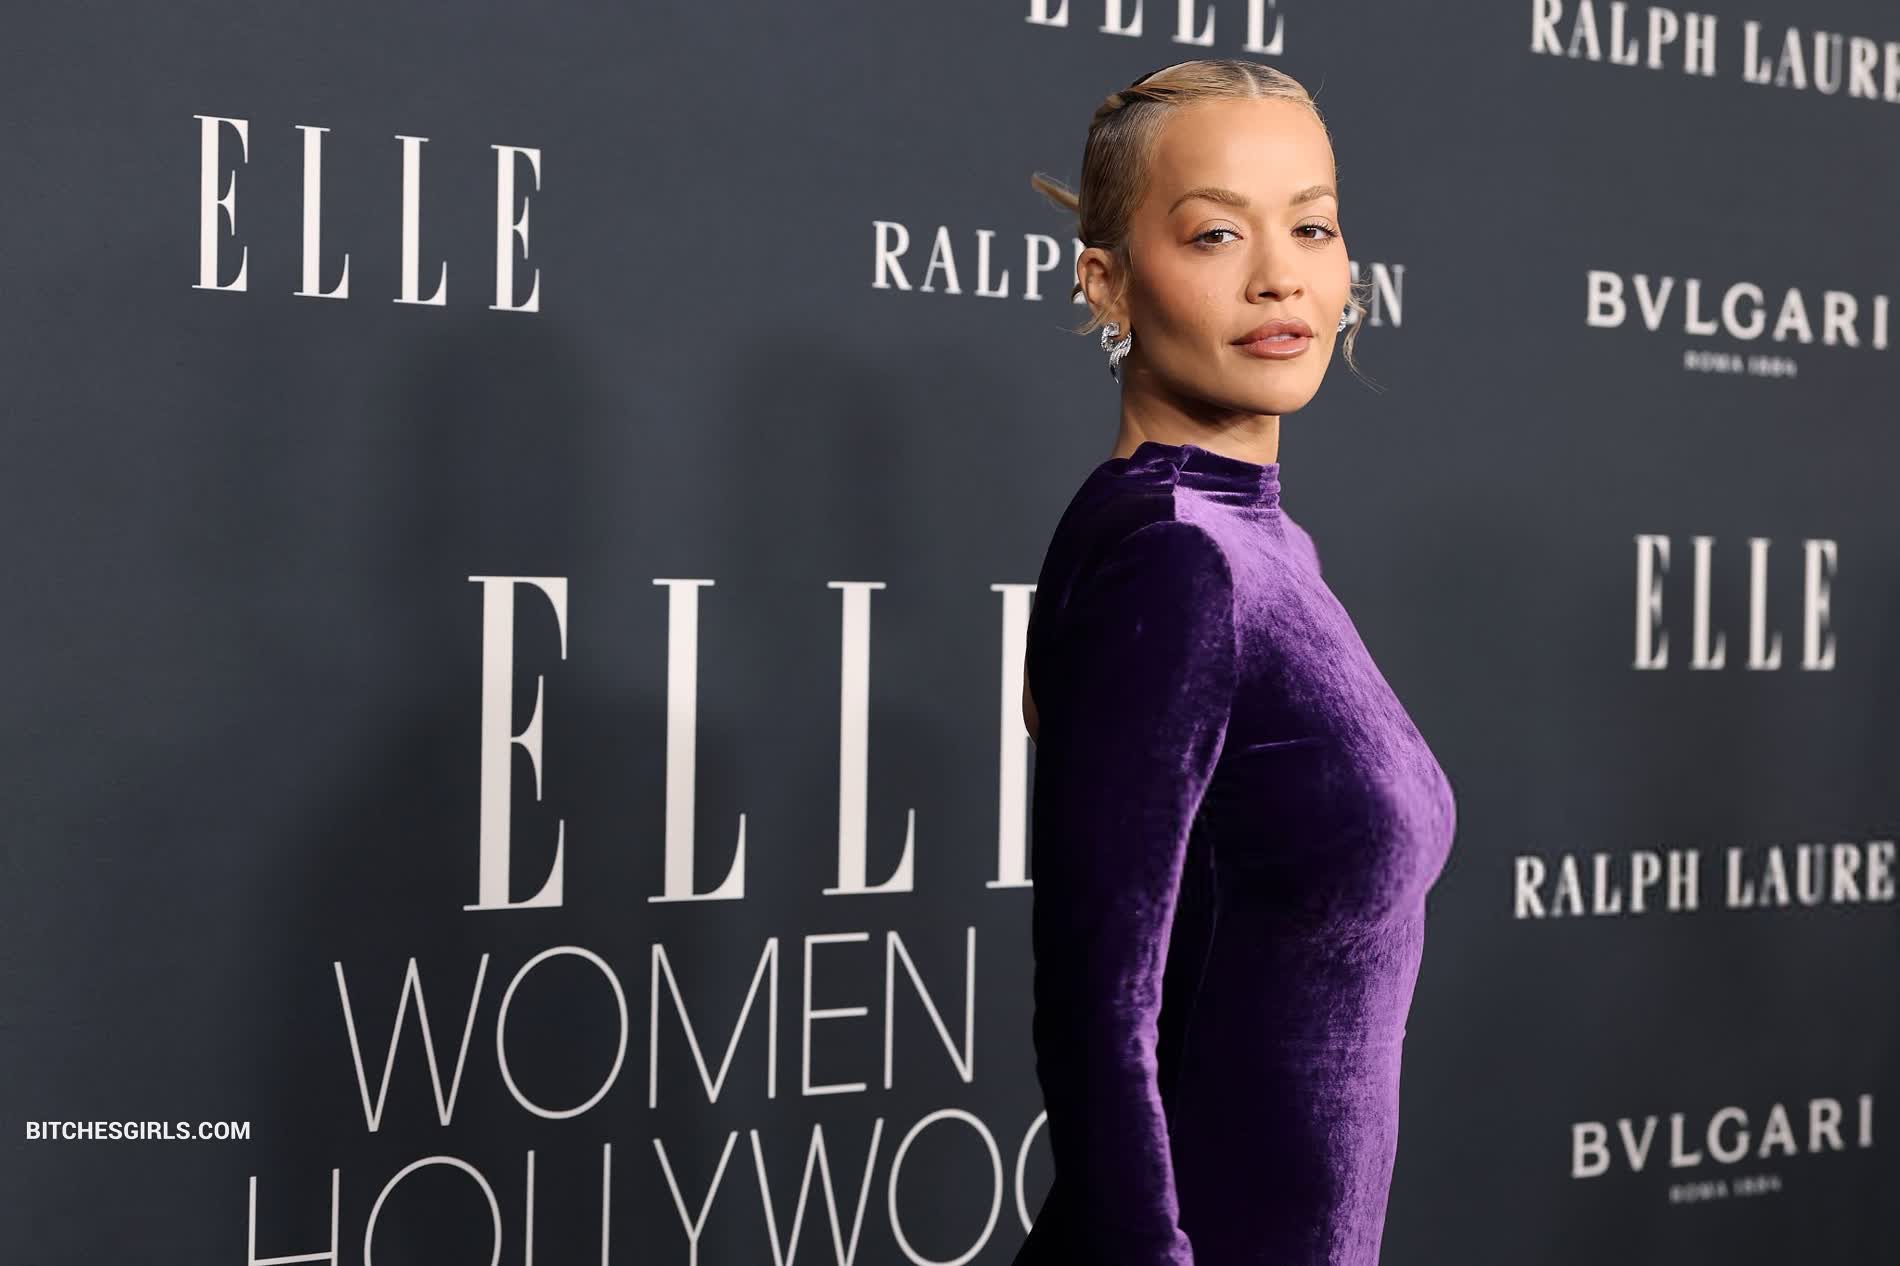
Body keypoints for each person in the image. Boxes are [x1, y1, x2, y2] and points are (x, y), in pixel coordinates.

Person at [1014, 59, 1457, 1266]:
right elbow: (1097, 1012)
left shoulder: (1251, 540)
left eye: (1311, 227)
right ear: (1106, 282)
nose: (1279, 276)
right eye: (1215, 233)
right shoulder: (1175, 558)